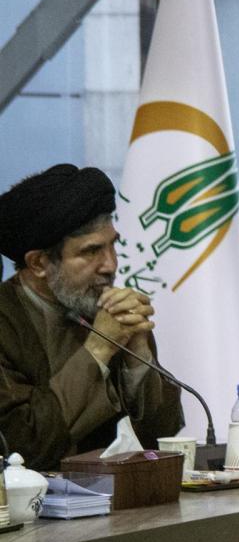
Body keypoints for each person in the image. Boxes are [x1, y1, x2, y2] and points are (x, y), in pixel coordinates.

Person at [0, 164, 183, 470]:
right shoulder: (6, 321)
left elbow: (163, 437)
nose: (110, 265)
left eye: (113, 245)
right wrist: (98, 349)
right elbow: (22, 447)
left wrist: (138, 357)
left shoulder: (110, 311)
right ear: (39, 263)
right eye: (91, 251)